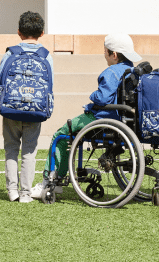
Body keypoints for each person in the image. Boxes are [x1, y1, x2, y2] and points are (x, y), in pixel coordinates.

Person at [31, 33, 141, 199]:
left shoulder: (111, 72)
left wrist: (93, 96)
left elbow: (102, 98)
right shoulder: (132, 71)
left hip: (101, 119)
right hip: (123, 121)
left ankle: (51, 180)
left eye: (105, 51)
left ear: (114, 54)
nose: (104, 55)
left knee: (61, 134)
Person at [0, 12, 54, 203]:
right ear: (42, 33)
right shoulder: (46, 55)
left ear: (19, 32)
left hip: (11, 108)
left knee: (11, 148)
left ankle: (12, 190)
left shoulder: (11, 53)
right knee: (29, 151)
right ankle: (26, 194)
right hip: (35, 110)